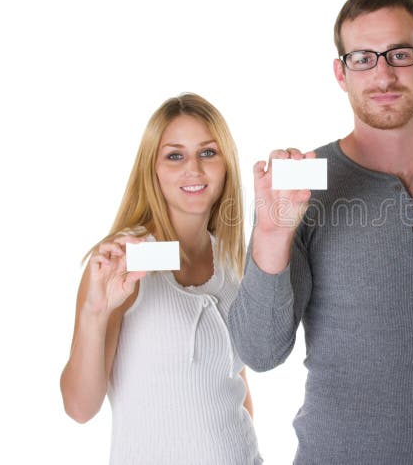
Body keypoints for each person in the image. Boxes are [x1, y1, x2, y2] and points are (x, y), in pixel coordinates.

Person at [229, 0, 413, 464]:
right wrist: (271, 234)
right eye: (363, 58)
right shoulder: (300, 189)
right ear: (341, 72)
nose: (383, 74)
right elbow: (261, 352)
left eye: (398, 54)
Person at [60, 94, 262, 464]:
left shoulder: (234, 262)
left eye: (207, 153)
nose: (194, 170)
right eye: (175, 155)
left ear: (227, 164)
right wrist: (95, 311)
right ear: (152, 168)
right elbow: (79, 407)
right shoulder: (121, 263)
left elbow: (235, 383)